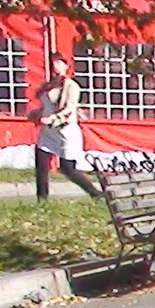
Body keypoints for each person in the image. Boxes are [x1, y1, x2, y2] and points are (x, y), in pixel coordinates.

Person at [29, 53, 100, 201]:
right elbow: (46, 105)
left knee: (67, 168)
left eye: (59, 63)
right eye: (53, 63)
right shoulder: (49, 85)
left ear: (66, 66)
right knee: (41, 163)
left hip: (65, 130)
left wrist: (53, 118)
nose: (56, 66)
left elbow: (70, 108)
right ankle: (42, 199)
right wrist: (36, 114)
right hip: (49, 132)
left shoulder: (71, 85)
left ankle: (96, 194)